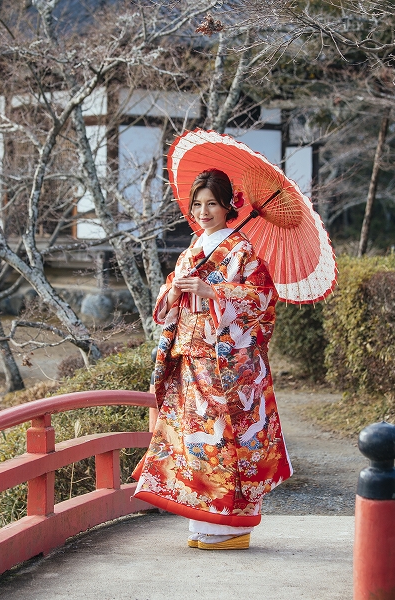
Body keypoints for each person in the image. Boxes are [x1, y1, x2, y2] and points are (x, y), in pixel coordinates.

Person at [132, 168, 292, 550]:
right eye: (198, 205)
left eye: (212, 205)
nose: (204, 212)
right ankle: (201, 525)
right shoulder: (192, 249)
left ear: (228, 207)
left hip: (228, 369)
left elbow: (262, 299)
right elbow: (168, 299)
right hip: (190, 359)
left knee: (226, 442)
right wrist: (173, 295)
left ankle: (229, 528)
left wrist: (214, 290)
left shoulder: (242, 250)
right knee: (194, 443)